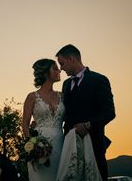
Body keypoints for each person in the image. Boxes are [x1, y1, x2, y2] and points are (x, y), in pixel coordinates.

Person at [56, 44, 115, 181]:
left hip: (94, 144)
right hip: (70, 146)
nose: (61, 68)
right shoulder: (65, 84)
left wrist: (88, 125)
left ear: (72, 59)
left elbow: (109, 112)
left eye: (62, 63)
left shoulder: (99, 80)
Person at [22, 58, 65, 181]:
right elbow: (25, 124)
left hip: (60, 144)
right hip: (39, 147)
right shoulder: (32, 97)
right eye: (55, 69)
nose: (59, 71)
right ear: (46, 73)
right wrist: (32, 146)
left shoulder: (63, 96)